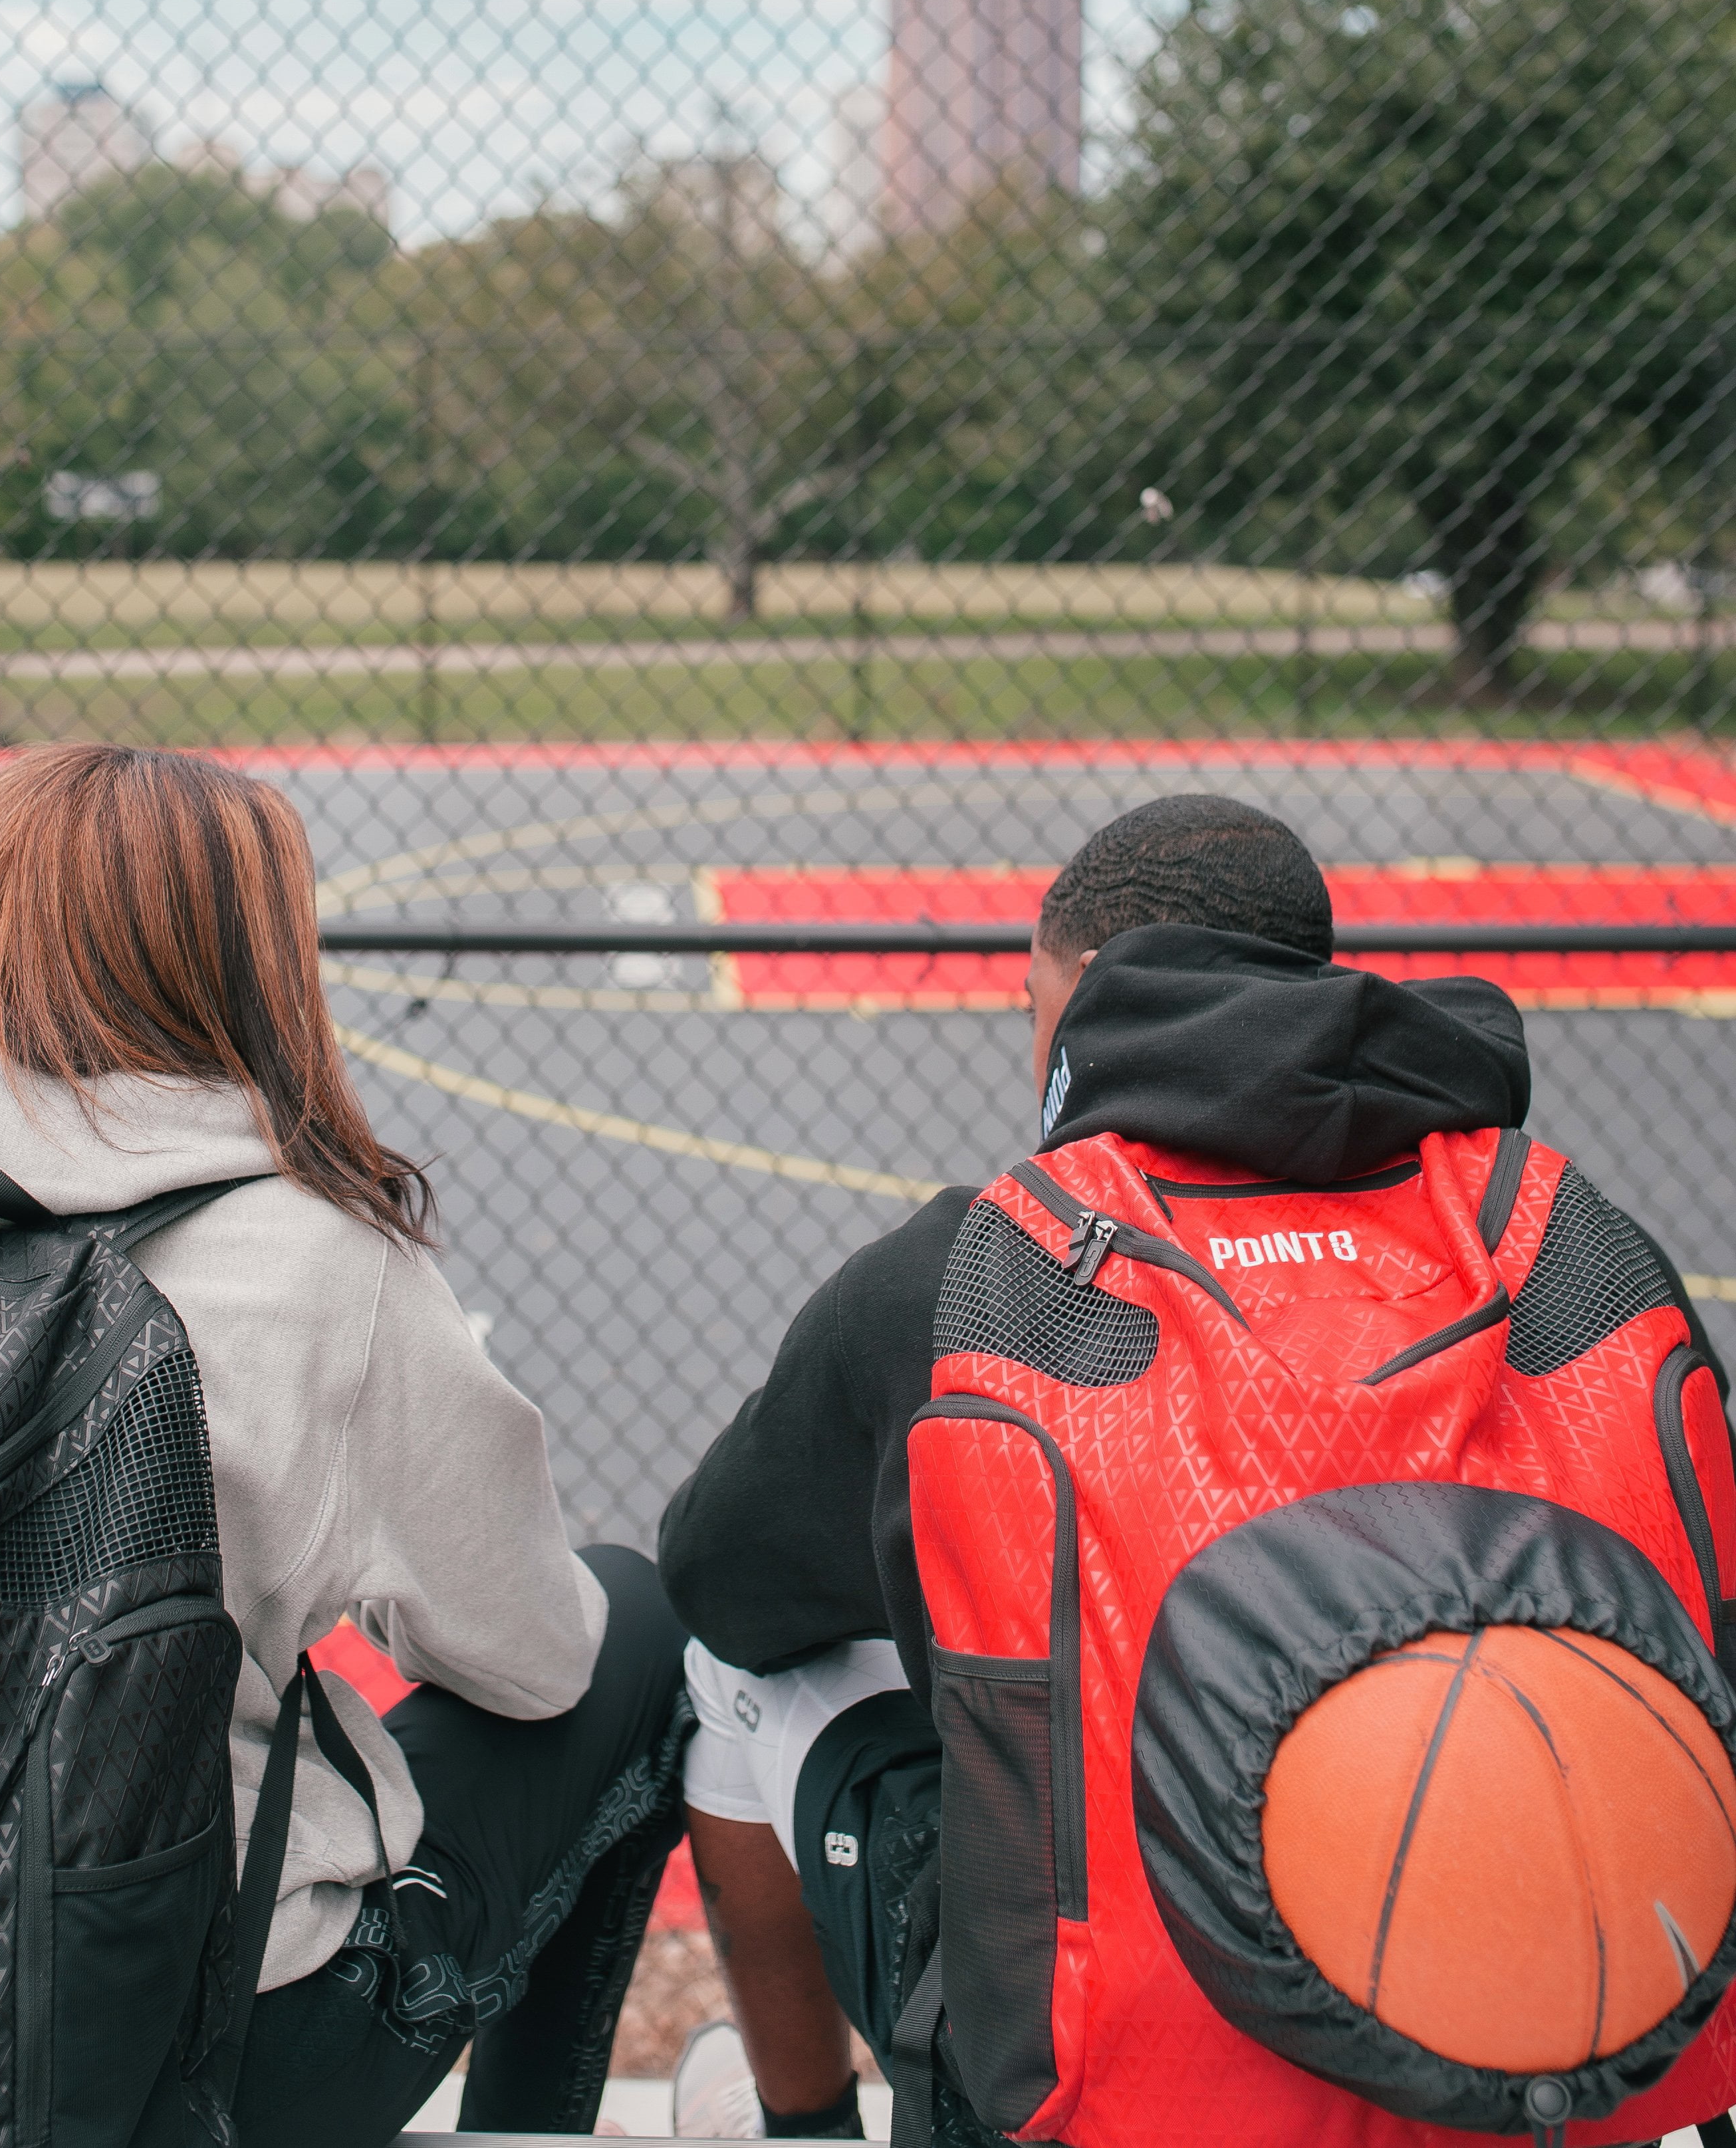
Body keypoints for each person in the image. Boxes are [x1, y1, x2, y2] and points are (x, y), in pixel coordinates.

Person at [655, 792, 1721, 2145]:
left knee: (727, 1670)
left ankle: (799, 2126)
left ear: (1091, 1000)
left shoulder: (978, 1274)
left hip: (1121, 2088)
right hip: (1543, 2047)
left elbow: (718, 1573)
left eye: (1032, 1001)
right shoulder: (1560, 1244)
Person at [0, 741, 689, 2147]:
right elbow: (528, 1657)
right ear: (246, 966)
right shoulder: (312, 1261)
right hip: (173, 2055)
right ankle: (526, 2123)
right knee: (637, 1626)